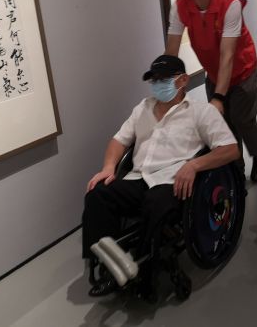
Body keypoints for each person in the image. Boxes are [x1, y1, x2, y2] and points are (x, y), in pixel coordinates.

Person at [82, 55, 239, 296]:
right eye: (154, 80)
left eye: (163, 79)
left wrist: (194, 165)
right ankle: (106, 264)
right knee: (98, 194)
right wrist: (109, 167)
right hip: (138, 177)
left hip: (172, 181)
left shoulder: (201, 112)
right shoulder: (142, 108)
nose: (157, 84)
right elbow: (119, 140)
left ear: (183, 80)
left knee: (155, 204)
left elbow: (230, 149)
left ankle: (145, 270)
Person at [165, 0, 257, 182]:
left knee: (242, 119)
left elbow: (228, 55)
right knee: (223, 124)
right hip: (213, 71)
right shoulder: (180, 7)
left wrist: (219, 97)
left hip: (242, 70)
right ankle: (236, 170)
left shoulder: (229, 4)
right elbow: (171, 49)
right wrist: (167, 85)